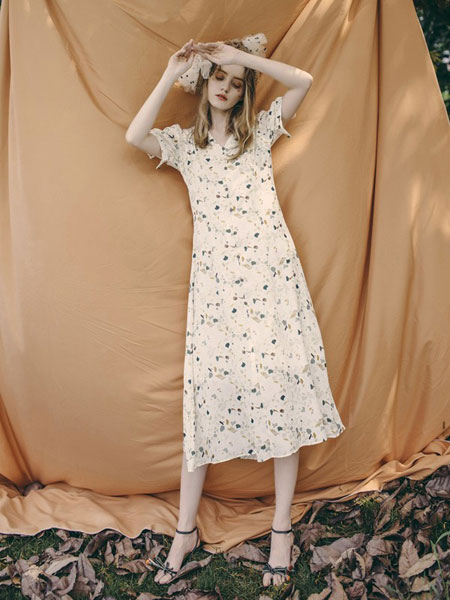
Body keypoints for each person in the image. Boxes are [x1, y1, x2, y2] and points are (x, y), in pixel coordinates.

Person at [125, 34, 346, 589]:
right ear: (204, 86)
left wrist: (240, 59)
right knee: (205, 398)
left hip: (272, 278)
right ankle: (184, 532)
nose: (226, 87)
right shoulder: (184, 146)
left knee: (281, 393)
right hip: (217, 289)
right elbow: (133, 135)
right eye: (218, 78)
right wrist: (172, 70)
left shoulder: (261, 133)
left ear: (245, 92)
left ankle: (281, 530)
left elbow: (303, 81)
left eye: (236, 84)